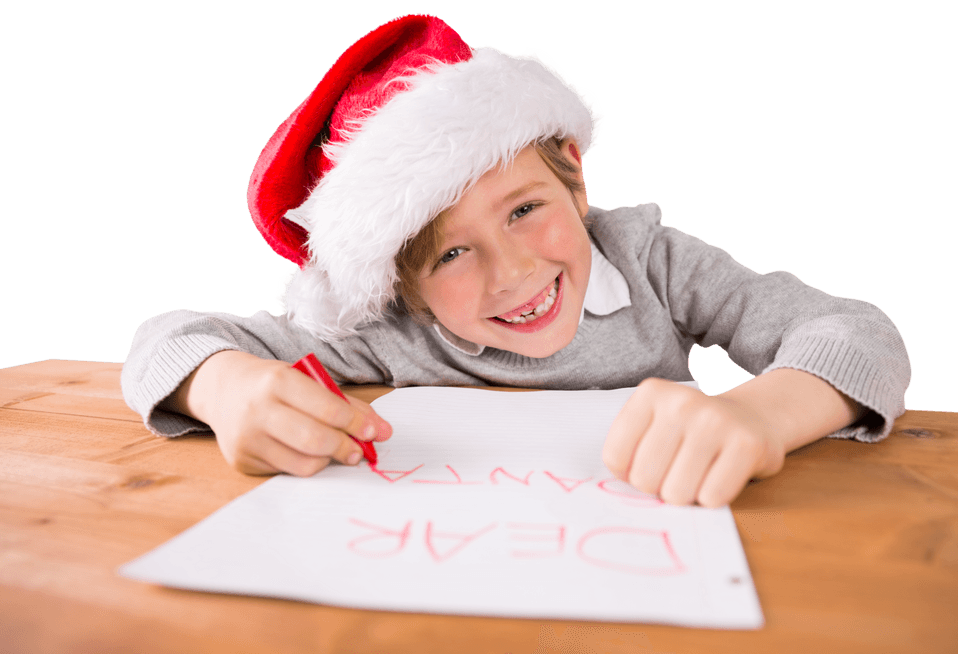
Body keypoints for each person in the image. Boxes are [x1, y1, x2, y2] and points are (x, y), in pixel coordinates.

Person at [121, 13, 911, 508]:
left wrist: (759, 414)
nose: (512, 274)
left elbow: (858, 333)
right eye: (452, 253)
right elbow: (170, 337)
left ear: (572, 168)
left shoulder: (650, 261)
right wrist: (224, 390)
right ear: (401, 281)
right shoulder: (390, 332)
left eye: (526, 210)